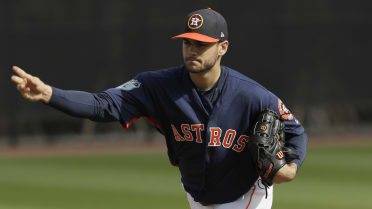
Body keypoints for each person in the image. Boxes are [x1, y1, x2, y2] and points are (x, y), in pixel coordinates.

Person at [11, 8, 307, 209]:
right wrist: (50, 94)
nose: (192, 49)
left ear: (223, 47)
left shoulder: (252, 95)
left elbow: (296, 132)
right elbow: (104, 105)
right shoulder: (158, 86)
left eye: (201, 44)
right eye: (187, 42)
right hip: (197, 196)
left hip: (246, 196)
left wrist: (290, 169)